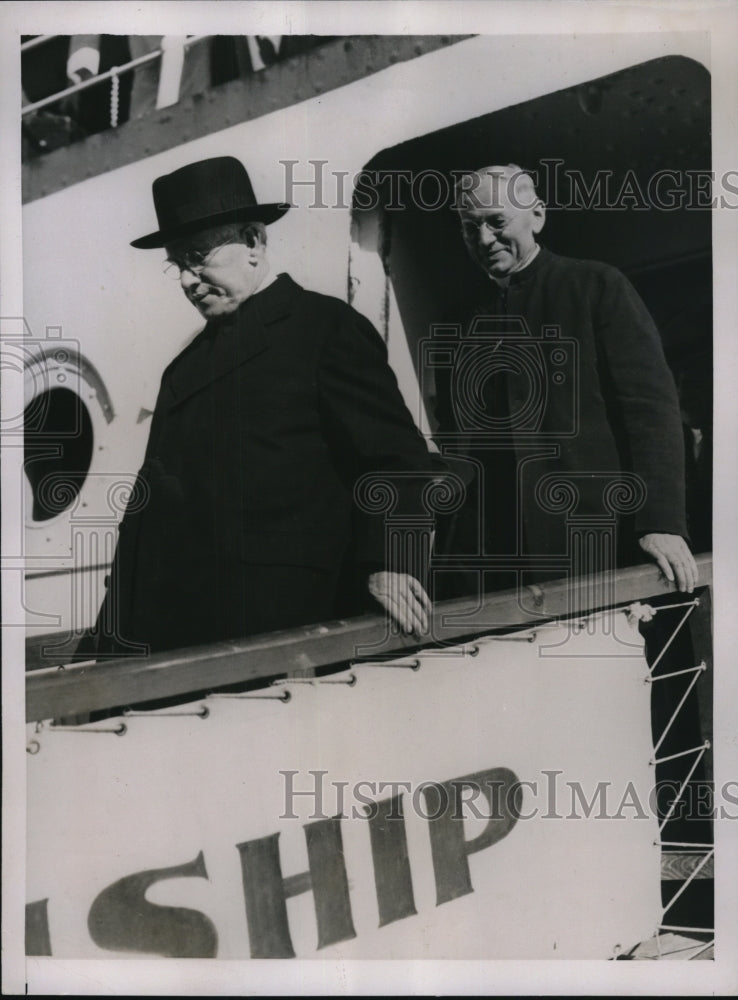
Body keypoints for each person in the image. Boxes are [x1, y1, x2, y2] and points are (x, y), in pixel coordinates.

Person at [94, 156, 442, 660]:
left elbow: (397, 460)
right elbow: (148, 515)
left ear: (255, 242)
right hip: (181, 640)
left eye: (198, 257)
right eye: (178, 263)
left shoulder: (324, 330)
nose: (188, 281)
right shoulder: (182, 370)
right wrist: (110, 634)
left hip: (289, 628)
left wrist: (391, 562)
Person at [436, 163, 698, 594]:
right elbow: (457, 440)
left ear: (536, 216)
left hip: (598, 539)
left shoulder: (596, 286)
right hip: (495, 557)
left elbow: (650, 411)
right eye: (469, 228)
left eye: (496, 222)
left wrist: (661, 523)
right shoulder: (459, 320)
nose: (483, 239)